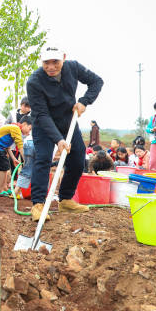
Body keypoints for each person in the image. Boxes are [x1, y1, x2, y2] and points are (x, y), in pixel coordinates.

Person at [26, 44, 103, 222]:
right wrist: (59, 140)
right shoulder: (34, 81)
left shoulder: (73, 67)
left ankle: (66, 199)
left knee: (77, 158)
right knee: (43, 158)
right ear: (41, 61)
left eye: (55, 62)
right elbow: (42, 114)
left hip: (68, 121)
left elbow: (96, 81)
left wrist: (84, 101)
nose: (51, 67)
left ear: (64, 58)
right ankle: (38, 204)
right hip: (44, 125)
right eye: (46, 62)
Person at [0, 117, 32, 195]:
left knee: (5, 167)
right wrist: (26, 160)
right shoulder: (16, 128)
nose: (29, 132)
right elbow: (20, 146)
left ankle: (4, 187)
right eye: (29, 129)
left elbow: (8, 147)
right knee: (3, 168)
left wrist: (14, 158)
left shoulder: (14, 128)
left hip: (0, 147)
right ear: (24, 124)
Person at [14, 128, 34, 198]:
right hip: (39, 143)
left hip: (27, 142)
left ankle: (15, 192)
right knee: (42, 169)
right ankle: (38, 195)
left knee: (27, 168)